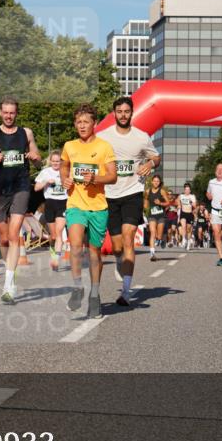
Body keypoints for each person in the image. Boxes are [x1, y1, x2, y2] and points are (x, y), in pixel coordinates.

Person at [0, 96, 41, 303]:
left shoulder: (26, 133)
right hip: (0, 190)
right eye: (6, 112)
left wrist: (35, 158)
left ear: (16, 113)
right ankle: (10, 269)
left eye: (12, 112)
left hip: (21, 188)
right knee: (3, 238)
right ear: (0, 113)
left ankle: (8, 284)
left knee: (14, 234)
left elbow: (38, 161)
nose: (9, 116)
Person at [97, 96, 160, 307]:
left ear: (132, 113)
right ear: (114, 113)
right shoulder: (103, 136)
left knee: (128, 238)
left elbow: (156, 157)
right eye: (119, 111)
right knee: (116, 247)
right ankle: (118, 261)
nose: (123, 115)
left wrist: (150, 163)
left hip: (133, 192)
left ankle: (126, 291)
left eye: (126, 111)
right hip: (110, 194)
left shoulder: (142, 137)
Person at [60, 104, 116, 319]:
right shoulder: (69, 145)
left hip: (98, 207)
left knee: (94, 253)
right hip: (75, 204)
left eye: (86, 122)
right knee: (75, 246)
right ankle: (77, 287)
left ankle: (94, 293)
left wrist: (96, 178)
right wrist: (64, 177)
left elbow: (113, 176)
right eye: (78, 122)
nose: (82, 126)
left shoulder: (104, 147)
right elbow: (64, 164)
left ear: (94, 123)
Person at [34, 150, 68, 271]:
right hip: (50, 203)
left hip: (63, 202)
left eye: (58, 161)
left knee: (59, 232)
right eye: (53, 161)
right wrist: (46, 182)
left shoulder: (65, 172)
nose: (55, 163)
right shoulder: (45, 172)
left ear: (61, 162)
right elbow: (36, 188)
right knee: (53, 235)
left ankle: (56, 259)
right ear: (50, 161)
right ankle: (53, 250)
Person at [144, 175, 171, 261]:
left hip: (161, 216)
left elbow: (168, 203)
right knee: (152, 233)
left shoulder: (162, 191)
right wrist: (145, 207)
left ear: (159, 183)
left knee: (158, 236)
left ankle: (162, 238)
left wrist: (160, 203)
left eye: (157, 181)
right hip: (152, 215)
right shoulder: (147, 191)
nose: (156, 182)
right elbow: (146, 202)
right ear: (152, 182)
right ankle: (152, 254)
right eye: (154, 181)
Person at [178, 182, 197, 251]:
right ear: (184, 190)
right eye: (186, 190)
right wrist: (179, 205)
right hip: (183, 213)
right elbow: (177, 202)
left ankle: (188, 243)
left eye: (188, 190)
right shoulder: (181, 196)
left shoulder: (192, 196)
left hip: (190, 214)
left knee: (189, 230)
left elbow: (195, 205)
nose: (187, 191)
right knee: (183, 226)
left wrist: (191, 202)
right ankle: (183, 239)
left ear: (190, 190)